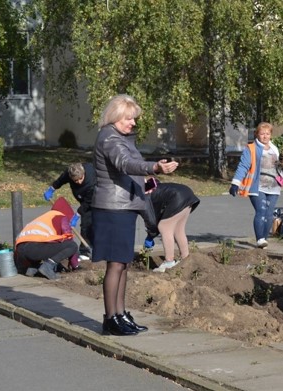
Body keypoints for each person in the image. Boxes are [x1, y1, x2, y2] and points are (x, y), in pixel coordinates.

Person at [92, 94, 178, 336]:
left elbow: (131, 165)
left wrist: (148, 176)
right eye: (129, 118)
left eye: (134, 118)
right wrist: (153, 167)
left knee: (123, 263)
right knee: (116, 263)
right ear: (116, 117)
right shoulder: (109, 137)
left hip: (124, 205)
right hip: (113, 208)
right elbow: (124, 164)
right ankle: (110, 318)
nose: (134, 123)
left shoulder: (122, 137)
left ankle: (120, 314)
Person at [229, 122, 283, 249]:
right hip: (257, 186)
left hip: (274, 186)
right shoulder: (251, 148)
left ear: (271, 135)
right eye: (262, 133)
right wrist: (235, 183)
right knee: (261, 211)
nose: (265, 136)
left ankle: (264, 240)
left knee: (269, 213)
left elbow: (279, 167)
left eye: (267, 134)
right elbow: (243, 166)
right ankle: (260, 239)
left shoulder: (274, 148)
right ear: (257, 134)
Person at [141, 179, 200, 271]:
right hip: (187, 193)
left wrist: (150, 236)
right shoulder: (151, 186)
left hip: (177, 197)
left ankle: (169, 262)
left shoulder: (143, 197)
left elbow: (151, 219)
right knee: (178, 230)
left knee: (164, 227)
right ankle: (186, 259)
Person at [43, 162, 96, 260]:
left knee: (88, 222)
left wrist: (77, 214)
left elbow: (87, 203)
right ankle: (87, 250)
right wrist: (52, 188)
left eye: (80, 179)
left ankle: (86, 250)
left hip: (96, 198)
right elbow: (61, 180)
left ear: (83, 173)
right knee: (86, 222)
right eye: (76, 180)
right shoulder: (69, 173)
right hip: (82, 197)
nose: (79, 182)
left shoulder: (92, 181)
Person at [15, 205, 79, 280]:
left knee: (45, 243)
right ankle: (48, 266)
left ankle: (33, 267)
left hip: (21, 250)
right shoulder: (61, 216)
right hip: (33, 249)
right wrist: (75, 265)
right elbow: (69, 239)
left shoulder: (46, 217)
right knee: (72, 246)